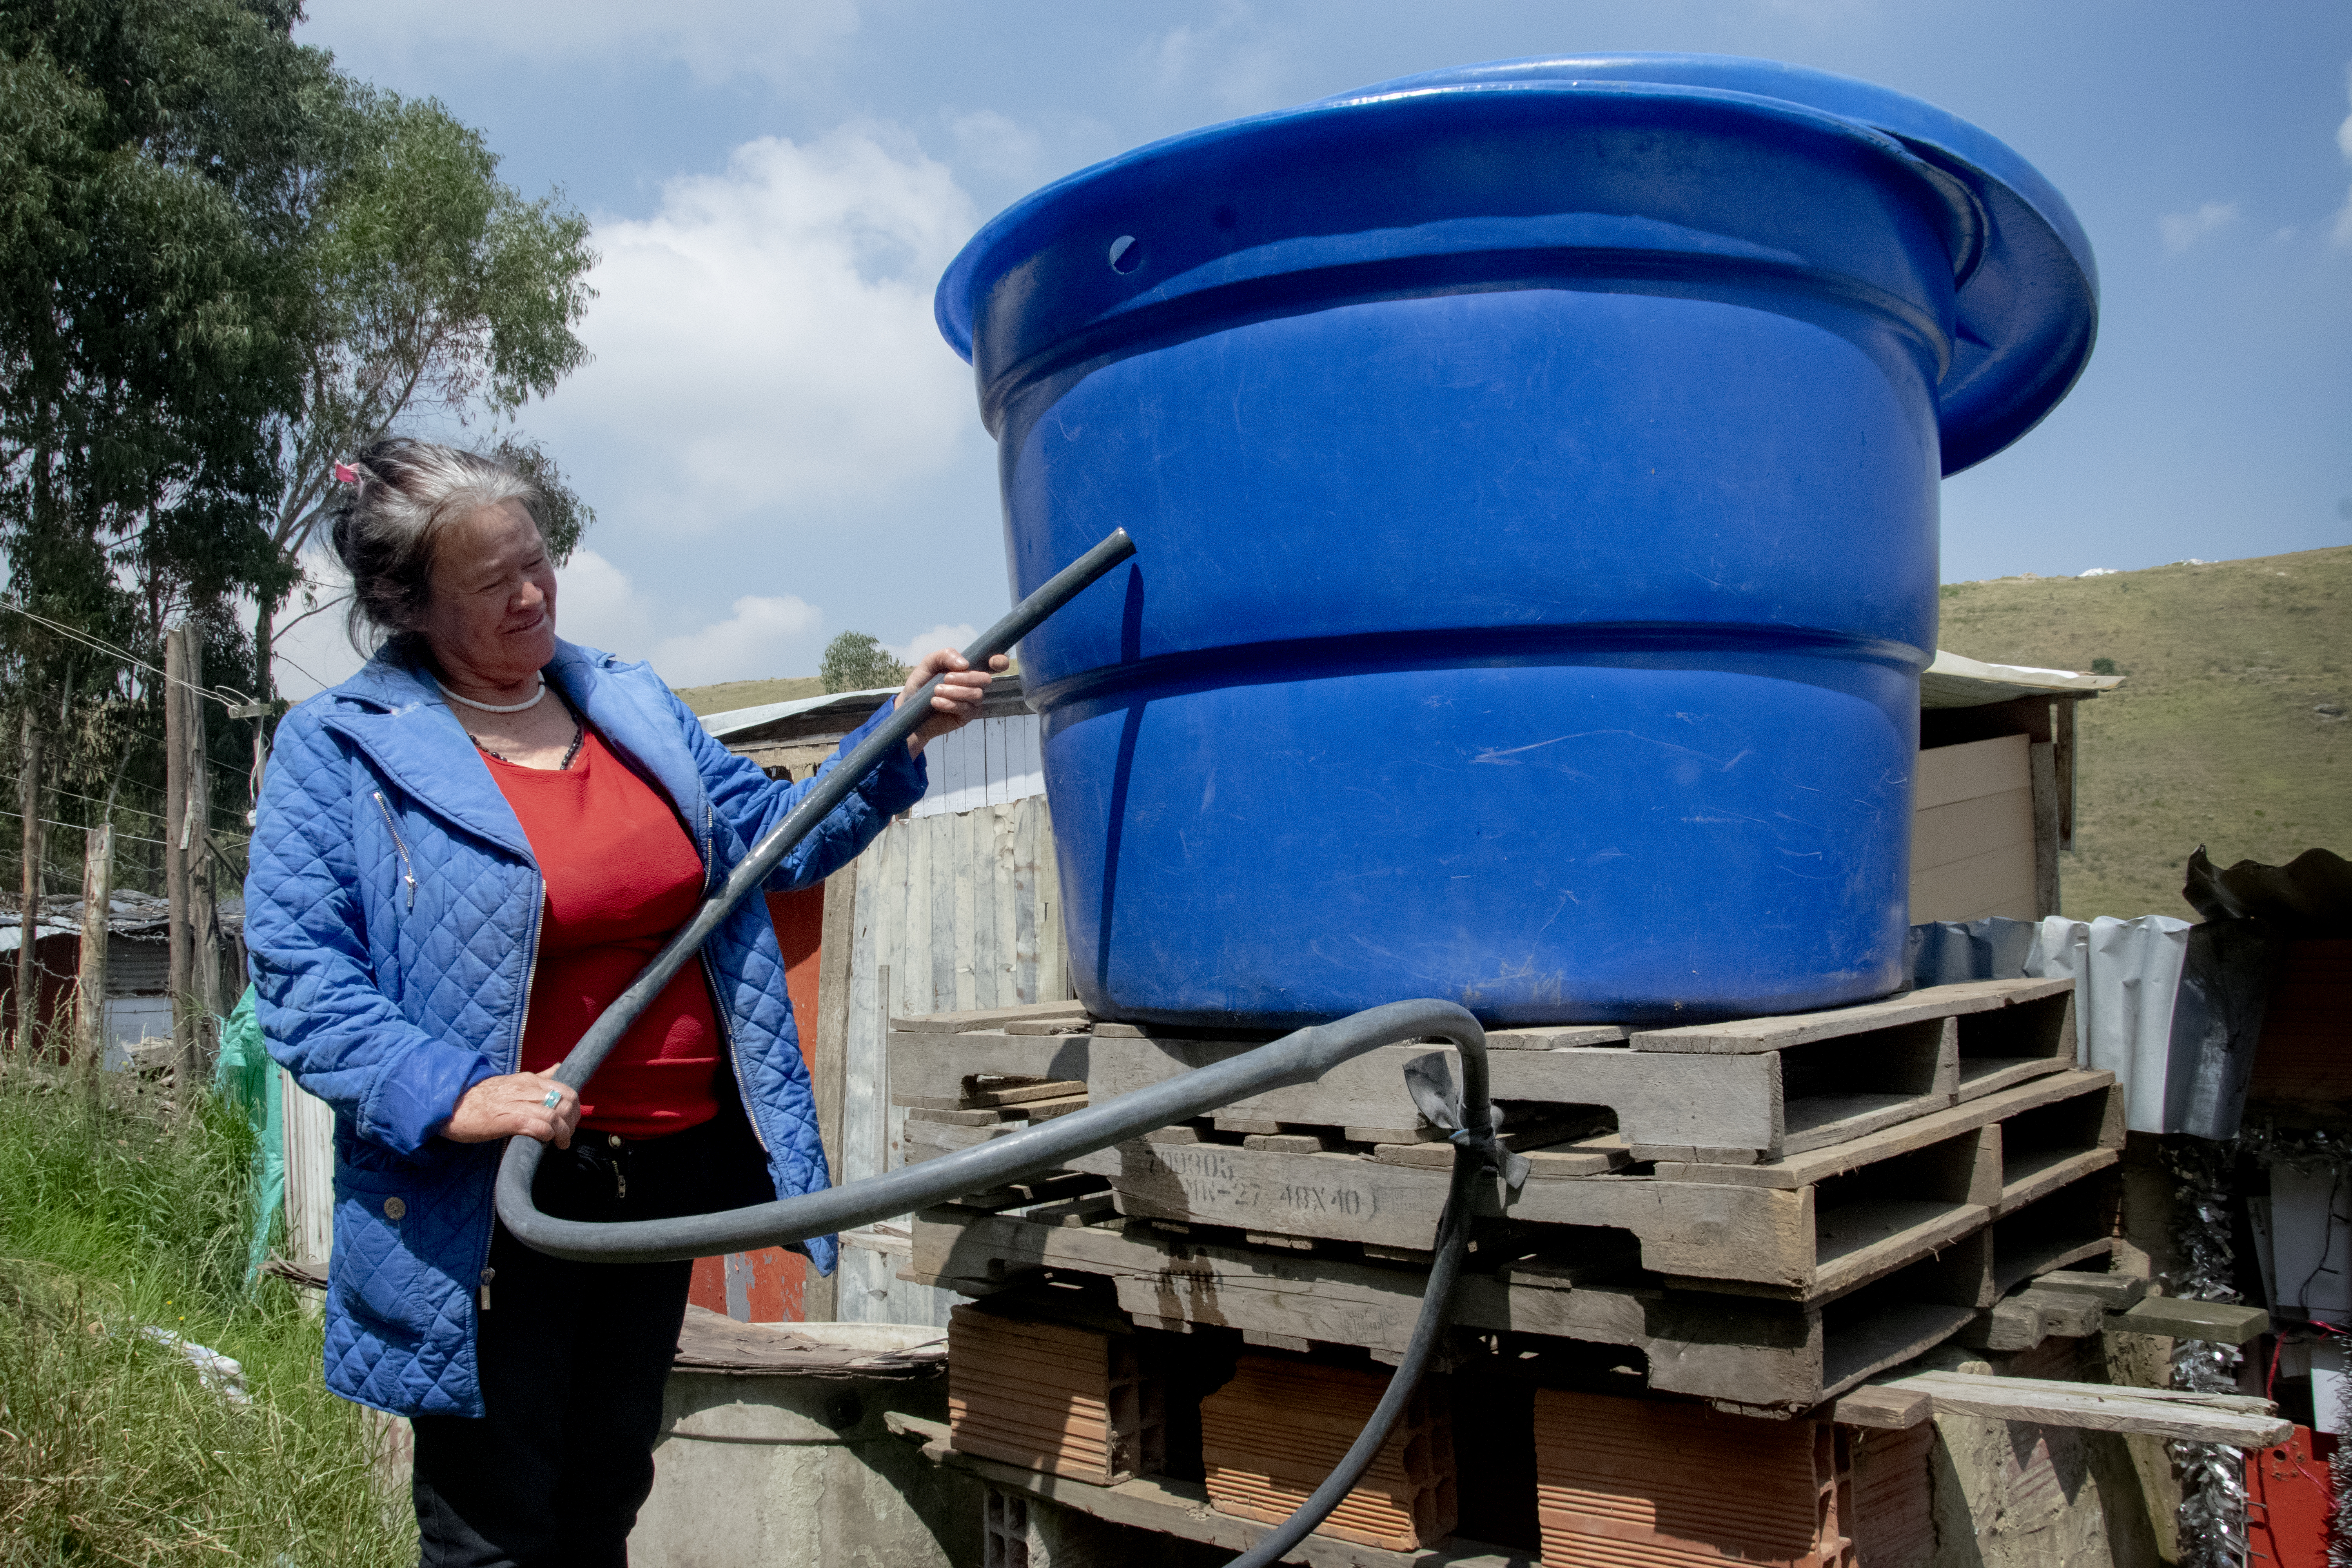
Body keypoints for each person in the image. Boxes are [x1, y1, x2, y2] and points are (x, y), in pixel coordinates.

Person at [245, 438, 1001, 1566]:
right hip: (492, 1198)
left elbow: (767, 844)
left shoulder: (629, 704)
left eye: (538, 559)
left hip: (662, 1176)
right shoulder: (344, 750)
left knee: (607, 1490)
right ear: (408, 605)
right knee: (495, 1523)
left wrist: (897, 737)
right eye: (492, 581)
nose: (533, 592)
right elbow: (303, 976)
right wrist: (457, 1094)